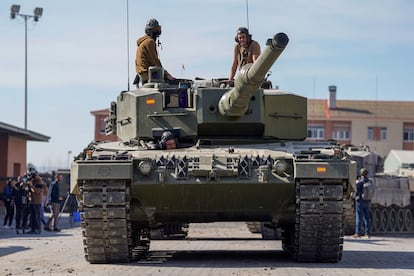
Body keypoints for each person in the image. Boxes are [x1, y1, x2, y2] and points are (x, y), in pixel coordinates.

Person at [134, 18, 175, 86]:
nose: (158, 31)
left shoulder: (143, 42)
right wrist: (167, 75)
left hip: (144, 74)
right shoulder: (149, 42)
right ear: (151, 31)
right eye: (156, 29)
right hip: (148, 74)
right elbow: (155, 62)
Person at [353, 168, 371, 238]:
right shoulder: (369, 181)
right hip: (367, 201)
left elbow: (356, 192)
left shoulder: (360, 182)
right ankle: (368, 234)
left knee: (359, 218)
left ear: (361, 174)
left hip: (360, 202)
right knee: (367, 218)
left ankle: (358, 233)